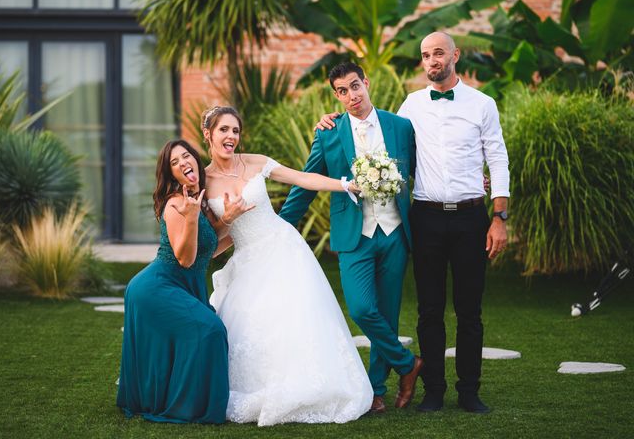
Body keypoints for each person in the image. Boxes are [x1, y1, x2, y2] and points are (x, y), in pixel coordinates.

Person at [316, 32, 510, 414]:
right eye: (425, 55)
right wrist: (333, 119)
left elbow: (498, 158)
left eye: (439, 52)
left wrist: (499, 215)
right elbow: (386, 145)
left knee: (470, 310)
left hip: (472, 216)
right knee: (429, 309)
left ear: (454, 55)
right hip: (426, 219)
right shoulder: (410, 107)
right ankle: (433, 390)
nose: (432, 59)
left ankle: (469, 391)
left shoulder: (483, 104)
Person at [201, 106, 373, 426]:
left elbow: (302, 177)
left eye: (235, 131)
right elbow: (213, 242)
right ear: (208, 134)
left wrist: (344, 185)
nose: (231, 137)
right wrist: (226, 222)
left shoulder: (255, 161)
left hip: (283, 249)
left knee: (295, 319)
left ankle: (310, 386)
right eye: (224, 130)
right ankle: (264, 387)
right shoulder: (202, 182)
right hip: (248, 260)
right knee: (254, 326)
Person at [280, 63, 424, 415]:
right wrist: (281, 224)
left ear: (366, 83)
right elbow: (309, 181)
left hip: (394, 233)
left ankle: (376, 390)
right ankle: (408, 364)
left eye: (355, 86)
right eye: (342, 91)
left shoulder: (400, 127)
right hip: (354, 236)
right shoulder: (328, 134)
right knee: (362, 308)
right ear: (336, 95)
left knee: (386, 315)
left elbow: (420, 171)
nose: (351, 96)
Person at [117, 139, 249, 424]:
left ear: (195, 161)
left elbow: (206, 251)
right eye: (174, 163)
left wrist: (231, 221)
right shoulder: (176, 204)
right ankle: (189, 407)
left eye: (185, 156)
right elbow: (185, 259)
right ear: (172, 174)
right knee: (211, 330)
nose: (183, 164)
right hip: (155, 288)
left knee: (202, 332)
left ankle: (185, 398)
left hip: (179, 285)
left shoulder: (195, 203)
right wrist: (190, 219)